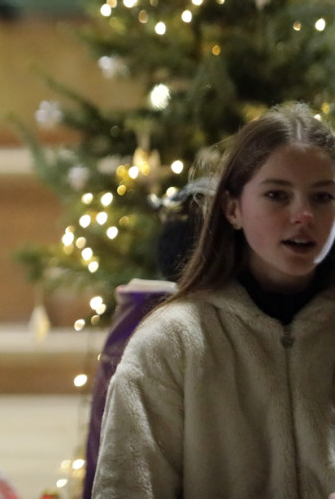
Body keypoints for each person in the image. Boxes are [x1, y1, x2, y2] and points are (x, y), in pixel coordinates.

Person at [92, 102, 335, 498]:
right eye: (277, 195)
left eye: (323, 197)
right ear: (233, 208)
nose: (304, 215)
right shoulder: (171, 345)